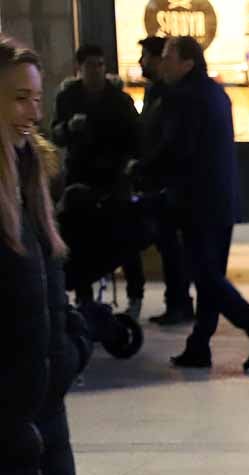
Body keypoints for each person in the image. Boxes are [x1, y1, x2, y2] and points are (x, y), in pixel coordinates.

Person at [0, 37, 89, 475]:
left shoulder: (31, 171)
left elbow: (49, 281)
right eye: (18, 99)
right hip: (8, 409)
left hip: (35, 406)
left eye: (36, 98)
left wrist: (71, 346)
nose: (35, 112)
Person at [147, 36, 249, 372]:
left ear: (188, 63)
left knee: (204, 275)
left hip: (198, 203)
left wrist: (145, 169)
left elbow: (179, 149)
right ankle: (199, 345)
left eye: (168, 57)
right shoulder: (214, 93)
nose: (161, 63)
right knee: (210, 276)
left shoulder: (185, 97)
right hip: (220, 201)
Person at [51, 44, 144, 319]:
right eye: (91, 65)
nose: (97, 70)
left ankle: (135, 295)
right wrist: (69, 127)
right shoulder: (69, 97)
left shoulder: (119, 99)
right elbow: (55, 133)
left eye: (101, 64)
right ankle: (83, 297)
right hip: (80, 178)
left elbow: (136, 137)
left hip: (113, 178)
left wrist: (129, 166)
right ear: (79, 69)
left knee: (123, 236)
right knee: (79, 238)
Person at [137, 35, 192, 327]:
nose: (140, 62)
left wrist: (146, 164)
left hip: (166, 182)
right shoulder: (155, 93)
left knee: (172, 246)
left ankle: (180, 303)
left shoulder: (169, 95)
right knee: (168, 245)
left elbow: (167, 140)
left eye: (146, 56)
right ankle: (178, 302)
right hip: (156, 179)